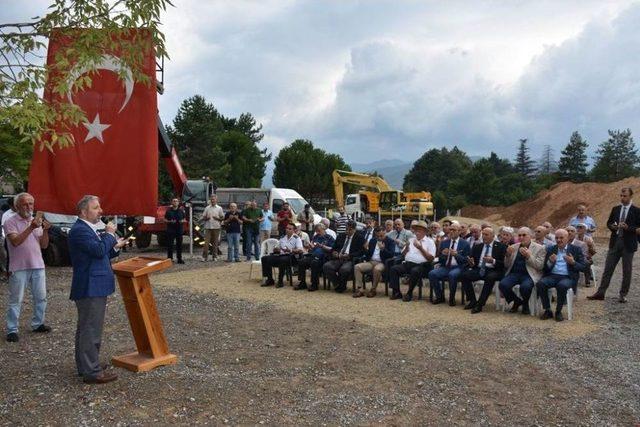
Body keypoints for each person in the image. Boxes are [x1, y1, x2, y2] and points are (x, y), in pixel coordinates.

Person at [68, 195, 128, 384]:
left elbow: (102, 252)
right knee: (90, 329)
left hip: (93, 285)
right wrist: (110, 234)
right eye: (96, 208)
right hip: (89, 286)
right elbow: (98, 251)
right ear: (84, 211)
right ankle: (91, 371)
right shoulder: (80, 230)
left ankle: (86, 365)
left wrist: (115, 245)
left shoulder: (88, 229)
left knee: (86, 327)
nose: (101, 211)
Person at [3, 193, 51, 342]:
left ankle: (38, 323)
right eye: (25, 204)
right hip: (18, 266)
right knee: (16, 299)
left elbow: (44, 245)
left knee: (41, 297)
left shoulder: (35, 221)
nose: (29, 207)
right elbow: (16, 241)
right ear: (17, 206)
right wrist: (31, 228)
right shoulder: (10, 222)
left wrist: (46, 231)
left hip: (37, 264)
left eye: (31, 204)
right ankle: (12, 329)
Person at [588, 187, 640, 303]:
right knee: (608, 268)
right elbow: (609, 222)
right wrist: (613, 226)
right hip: (615, 242)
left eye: (625, 196)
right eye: (621, 196)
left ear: (631, 196)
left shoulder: (637, 211)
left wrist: (628, 228)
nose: (622, 198)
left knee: (627, 271)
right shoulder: (615, 209)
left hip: (628, 244)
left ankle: (622, 295)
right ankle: (600, 293)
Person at [537, 229, 586, 321]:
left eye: (561, 238)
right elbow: (545, 268)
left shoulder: (576, 249)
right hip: (552, 275)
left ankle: (558, 311)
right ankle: (547, 310)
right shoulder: (551, 249)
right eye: (556, 238)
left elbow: (583, 267)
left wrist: (573, 262)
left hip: (568, 277)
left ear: (567, 238)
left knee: (562, 286)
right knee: (541, 284)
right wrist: (550, 262)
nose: (558, 240)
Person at [498, 227, 545, 315]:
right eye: (519, 235)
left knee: (525, 287)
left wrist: (528, 257)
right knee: (502, 285)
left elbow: (540, 266)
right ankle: (517, 301)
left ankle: (526, 304)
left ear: (530, 236)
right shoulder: (513, 247)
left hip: (529, 274)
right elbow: (506, 265)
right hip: (514, 273)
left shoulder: (540, 248)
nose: (521, 237)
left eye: (524, 235)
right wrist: (508, 255)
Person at [460, 227, 507, 314]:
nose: (484, 236)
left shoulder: (501, 246)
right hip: (480, 269)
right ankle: (473, 300)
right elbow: (473, 261)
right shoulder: (478, 246)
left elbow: (504, 264)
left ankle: (480, 304)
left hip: (494, 270)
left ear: (493, 236)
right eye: (483, 234)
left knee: (490, 277)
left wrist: (493, 260)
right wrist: (471, 263)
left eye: (486, 235)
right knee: (464, 275)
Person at [389, 221, 436, 301]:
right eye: (416, 230)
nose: (417, 232)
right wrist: (406, 248)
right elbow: (403, 254)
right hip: (408, 263)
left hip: (422, 265)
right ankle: (397, 292)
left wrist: (420, 248)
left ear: (425, 232)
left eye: (419, 230)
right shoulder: (411, 240)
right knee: (394, 269)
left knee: (415, 271)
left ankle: (409, 293)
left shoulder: (430, 242)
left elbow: (431, 258)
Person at [428, 222, 471, 306]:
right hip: (446, 266)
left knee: (452, 274)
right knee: (432, 273)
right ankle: (440, 296)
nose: (451, 231)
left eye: (454, 230)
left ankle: (452, 298)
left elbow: (466, 261)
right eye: (450, 229)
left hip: (459, 267)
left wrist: (456, 255)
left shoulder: (465, 244)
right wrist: (443, 255)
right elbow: (440, 259)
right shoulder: (445, 242)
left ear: (459, 231)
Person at [323, 221, 365, 293]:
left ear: (355, 229)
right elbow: (334, 248)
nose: (347, 231)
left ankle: (342, 286)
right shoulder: (341, 236)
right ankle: (337, 284)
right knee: (327, 266)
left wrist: (349, 255)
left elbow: (361, 252)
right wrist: (334, 252)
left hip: (350, 259)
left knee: (344, 269)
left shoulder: (359, 238)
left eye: (350, 229)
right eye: (346, 229)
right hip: (338, 258)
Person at [353, 227, 396, 298]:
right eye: (377, 236)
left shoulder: (390, 241)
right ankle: (360, 289)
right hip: (371, 262)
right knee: (357, 267)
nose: (379, 237)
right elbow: (368, 255)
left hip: (382, 262)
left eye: (381, 236)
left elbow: (391, 255)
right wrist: (365, 249)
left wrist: (383, 249)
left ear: (385, 232)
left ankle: (373, 290)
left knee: (377, 269)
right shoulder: (372, 241)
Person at [260, 223, 303, 288]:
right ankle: (270, 279)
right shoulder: (283, 237)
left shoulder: (296, 238)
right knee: (265, 258)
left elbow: (300, 250)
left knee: (282, 260)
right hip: (281, 255)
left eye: (290, 229)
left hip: (291, 257)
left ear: (294, 230)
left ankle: (280, 281)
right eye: (287, 228)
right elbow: (277, 247)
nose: (287, 230)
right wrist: (276, 249)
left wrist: (290, 250)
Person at [296, 223, 334, 291]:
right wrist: (310, 246)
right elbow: (312, 247)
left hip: (323, 258)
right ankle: (302, 282)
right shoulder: (316, 237)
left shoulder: (329, 238)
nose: (317, 232)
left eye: (319, 230)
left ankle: (314, 284)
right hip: (313, 256)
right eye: (316, 231)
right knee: (301, 262)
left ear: (324, 229)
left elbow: (332, 249)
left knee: (314, 263)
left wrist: (322, 246)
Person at [201, 195, 224, 262]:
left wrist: (218, 218)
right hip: (208, 227)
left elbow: (222, 218)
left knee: (215, 243)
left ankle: (214, 256)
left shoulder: (219, 208)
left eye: (214, 199)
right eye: (211, 199)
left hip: (216, 227)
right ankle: (204, 257)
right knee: (206, 243)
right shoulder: (207, 208)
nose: (212, 200)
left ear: (216, 200)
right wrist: (206, 218)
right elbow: (203, 217)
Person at [164, 198, 185, 264]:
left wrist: (182, 221)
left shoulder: (181, 211)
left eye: (176, 201)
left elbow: (184, 219)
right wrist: (170, 221)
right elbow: (165, 219)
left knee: (179, 245)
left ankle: (179, 259)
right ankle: (170, 259)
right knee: (170, 245)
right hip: (171, 230)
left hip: (179, 230)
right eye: (174, 201)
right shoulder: (168, 211)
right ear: (172, 203)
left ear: (178, 203)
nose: (175, 202)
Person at [1, 197, 16, 274]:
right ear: (10, 206)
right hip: (9, 239)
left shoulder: (22, 212)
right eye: (14, 205)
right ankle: (9, 273)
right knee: (9, 257)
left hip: (22, 239)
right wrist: (5, 238)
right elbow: (3, 227)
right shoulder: (6, 215)